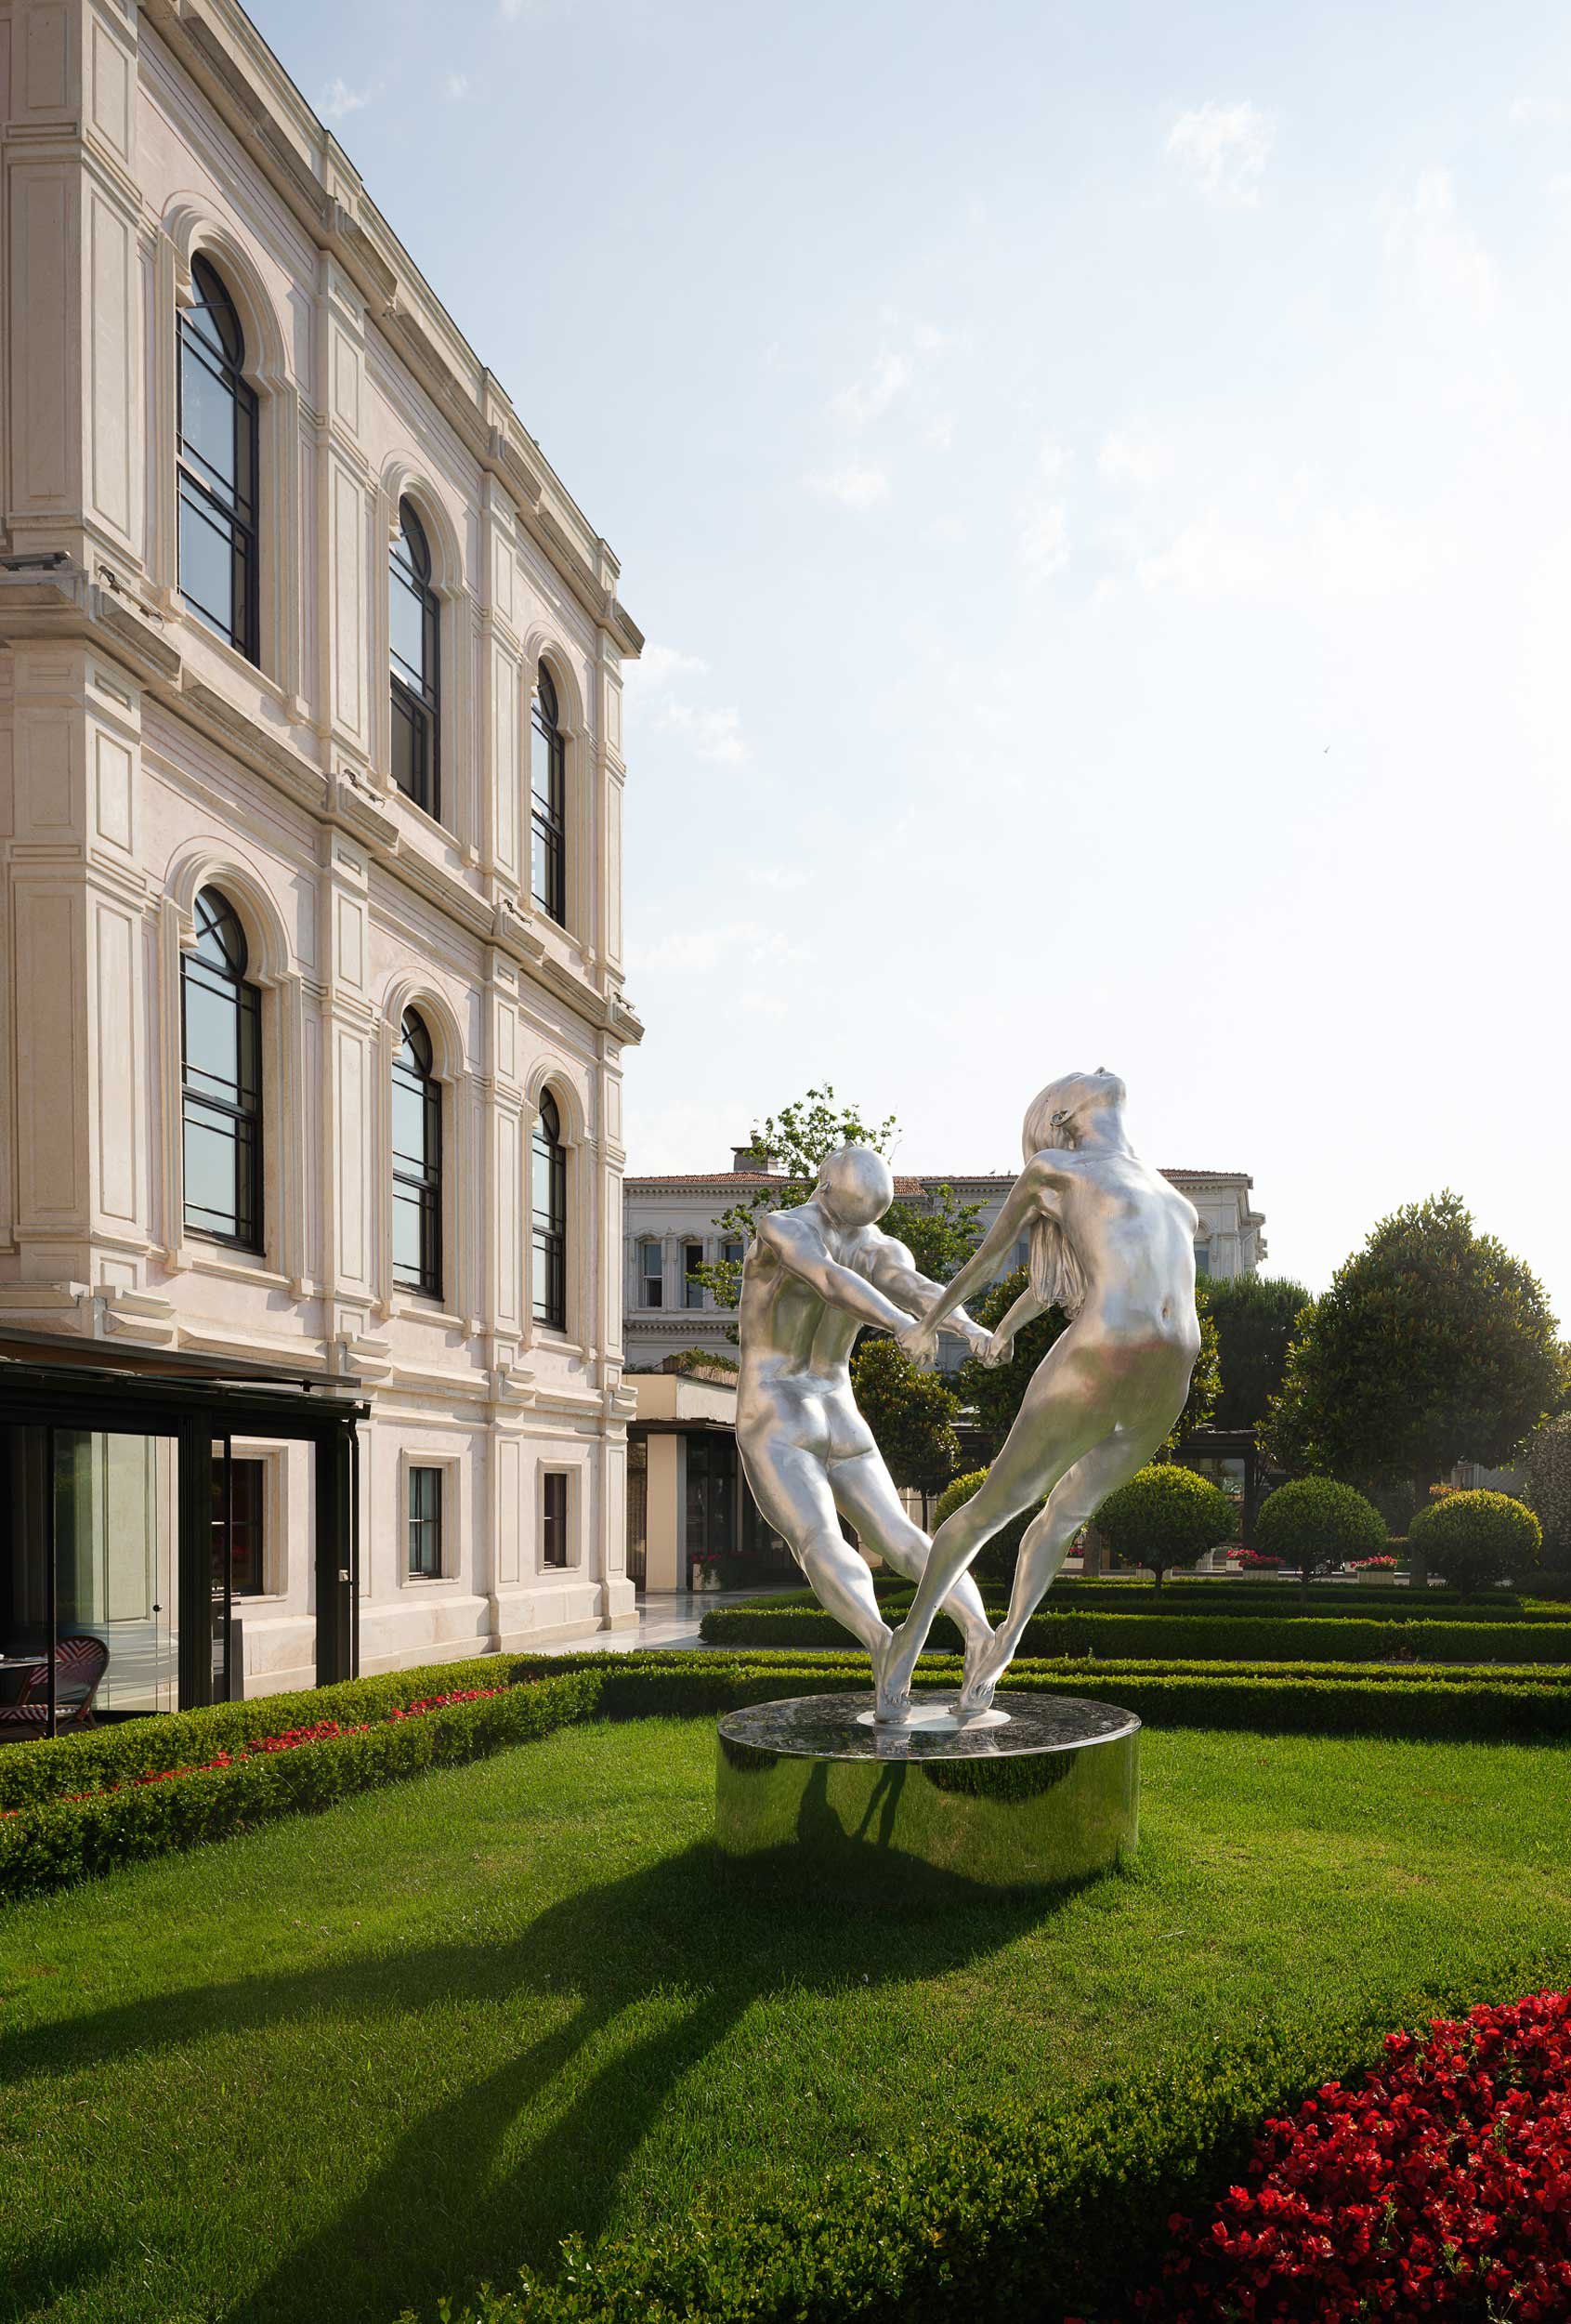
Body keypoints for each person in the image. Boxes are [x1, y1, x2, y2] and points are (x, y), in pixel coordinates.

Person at [876, 1070, 1202, 1723]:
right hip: (1104, 1348)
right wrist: (930, 1322)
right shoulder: (1055, 1169)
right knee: (995, 1506)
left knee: (1064, 1514)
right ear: (1061, 1114)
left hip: (1169, 1374)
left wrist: (1001, 1329)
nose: (1099, 1070)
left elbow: (1059, 1282)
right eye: (1080, 1078)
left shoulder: (1175, 1198)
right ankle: (906, 1645)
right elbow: (988, 1260)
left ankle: (999, 1651)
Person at [736, 1145, 997, 1700]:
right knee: (902, 1536)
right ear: (831, 1190)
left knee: (818, 1538)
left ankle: (885, 1644)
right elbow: (900, 1289)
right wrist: (936, 1326)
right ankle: (977, 1630)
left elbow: (837, 1281)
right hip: (840, 1410)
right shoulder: (873, 1247)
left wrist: (966, 1328)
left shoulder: (782, 1227)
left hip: (778, 1408)